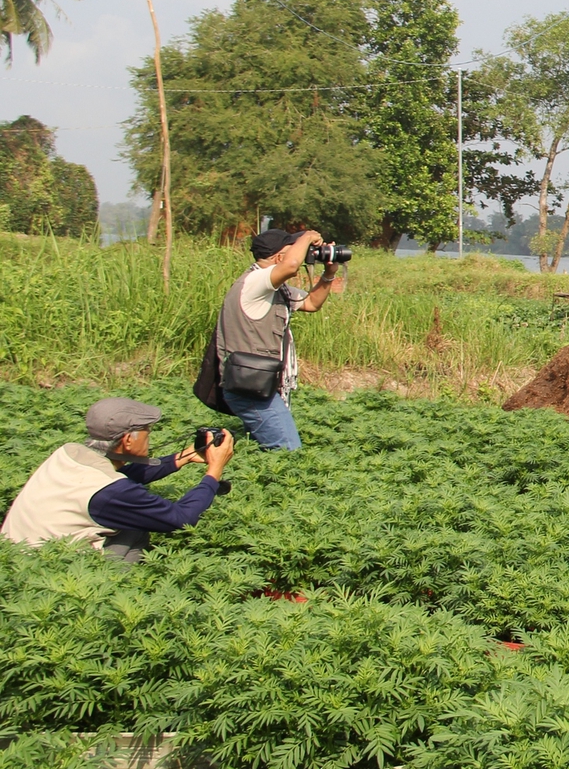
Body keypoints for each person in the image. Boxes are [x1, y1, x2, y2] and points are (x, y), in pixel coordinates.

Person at [1, 398, 233, 563]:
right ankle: (117, 588)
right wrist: (214, 470)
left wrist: (184, 457)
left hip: (15, 552)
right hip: (48, 568)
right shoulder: (110, 491)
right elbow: (180, 519)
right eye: (147, 431)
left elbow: (118, 478)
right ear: (127, 441)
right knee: (135, 529)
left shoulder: (68, 453)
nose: (149, 437)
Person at [214, 226, 343, 450]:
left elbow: (311, 303)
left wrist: (329, 273)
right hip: (249, 387)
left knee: (263, 448)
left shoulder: (277, 289)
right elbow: (291, 266)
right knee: (287, 450)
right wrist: (308, 236)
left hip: (258, 384)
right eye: (294, 248)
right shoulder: (255, 281)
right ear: (279, 256)